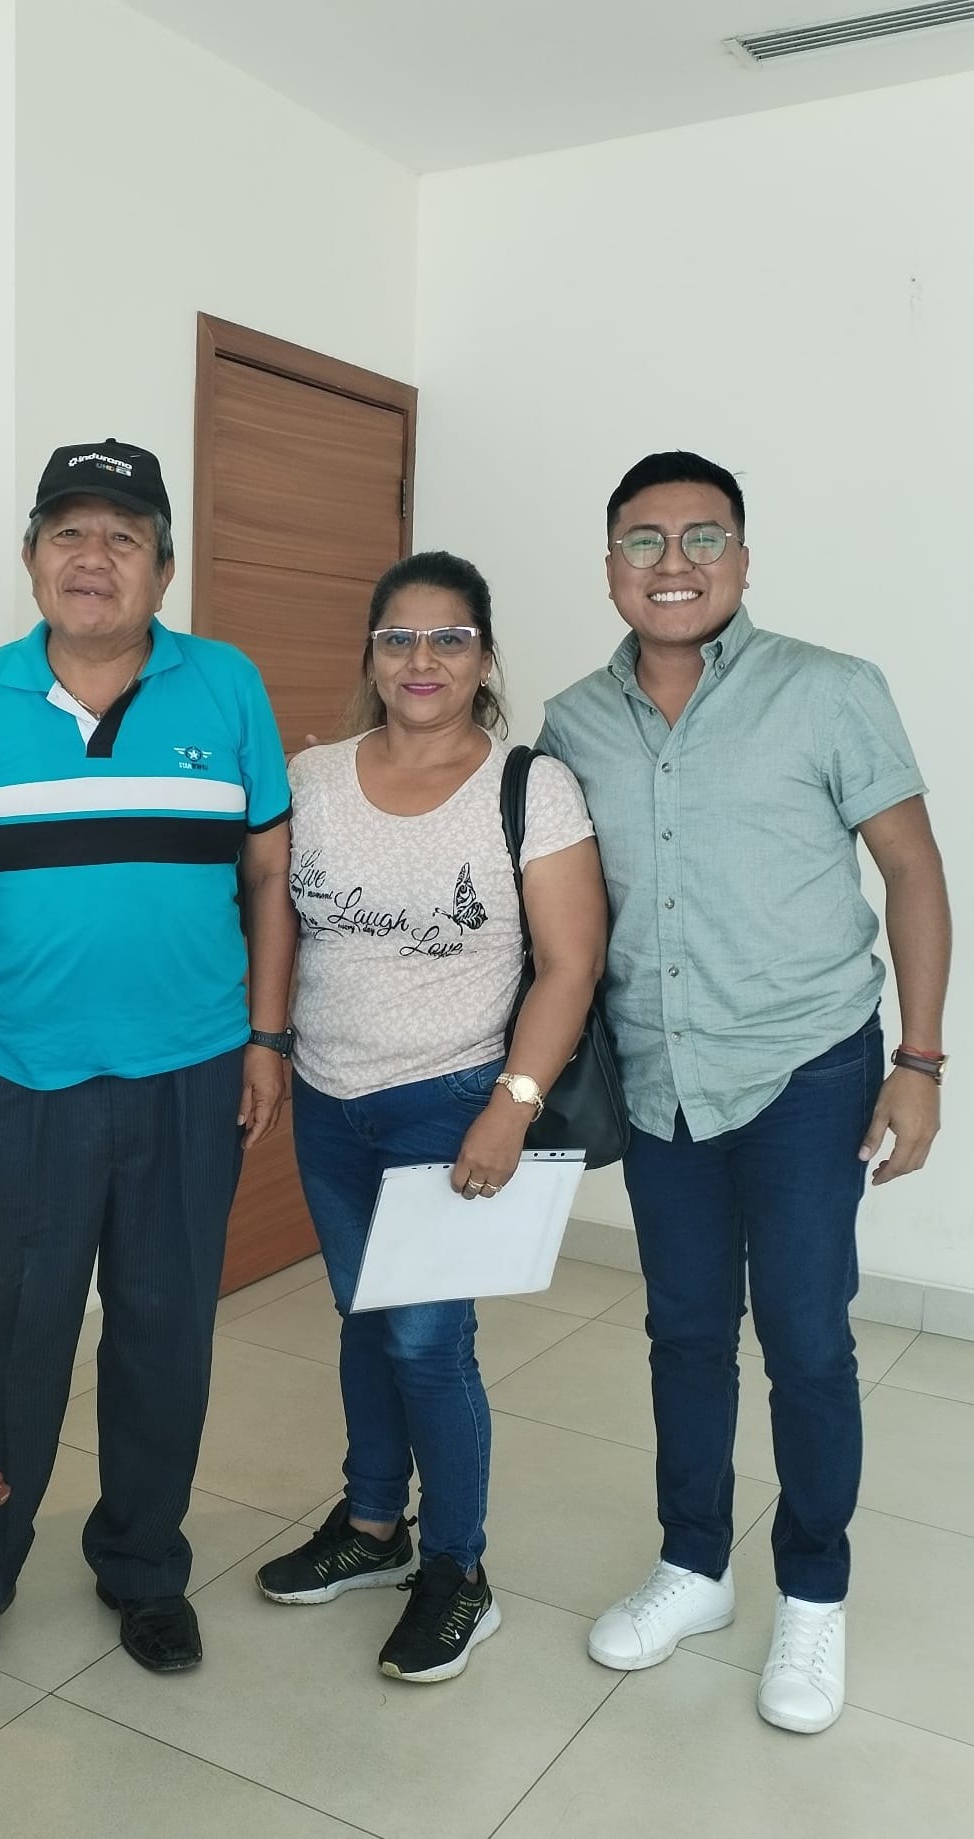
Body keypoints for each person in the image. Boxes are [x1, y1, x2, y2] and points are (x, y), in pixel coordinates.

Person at [538, 451, 950, 1734]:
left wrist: (920, 1062)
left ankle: (813, 1592)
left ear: (744, 557)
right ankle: (696, 1564)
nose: (673, 564)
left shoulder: (830, 689)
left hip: (807, 1066)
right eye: (644, 541)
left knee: (810, 1340)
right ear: (611, 564)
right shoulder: (571, 722)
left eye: (702, 538)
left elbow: (915, 870)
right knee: (683, 1331)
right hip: (662, 1077)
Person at [0, 439, 296, 1682]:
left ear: (163, 569)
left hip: (192, 1072)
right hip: (22, 1078)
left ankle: (141, 1564)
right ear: (31, 558)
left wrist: (268, 1038)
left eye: (123, 537)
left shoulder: (226, 686)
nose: (94, 558)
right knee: (4, 1344)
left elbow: (270, 875)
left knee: (163, 1334)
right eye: (69, 533)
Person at [254, 550, 607, 1684]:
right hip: (331, 1097)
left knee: (426, 1341)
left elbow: (571, 962)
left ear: (484, 657)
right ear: (371, 653)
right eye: (399, 637)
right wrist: (270, 1047)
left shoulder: (530, 788)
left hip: (451, 1100)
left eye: (449, 638)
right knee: (364, 1316)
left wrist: (512, 1103)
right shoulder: (313, 777)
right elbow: (277, 919)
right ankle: (372, 1527)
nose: (423, 659)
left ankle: (459, 1567)